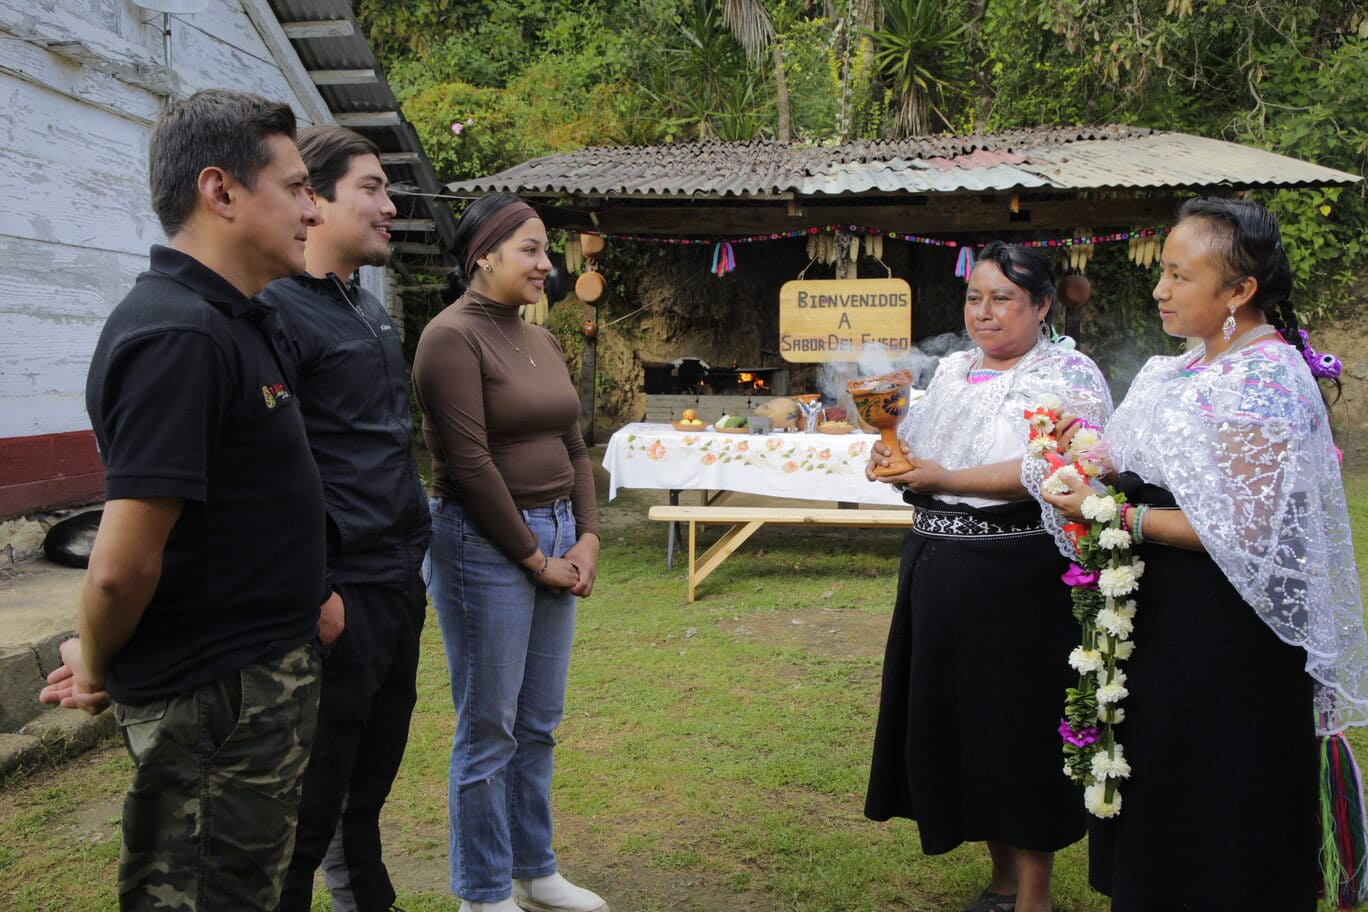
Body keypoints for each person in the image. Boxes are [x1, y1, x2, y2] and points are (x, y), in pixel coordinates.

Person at [39, 89, 328, 910]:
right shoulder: (179, 335)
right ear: (220, 190)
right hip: (216, 702)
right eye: (297, 186)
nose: (314, 209)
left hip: (252, 689)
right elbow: (121, 567)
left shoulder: (235, 320)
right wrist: (94, 662)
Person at [1041, 197, 1368, 911]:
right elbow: (1143, 463)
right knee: (1163, 786)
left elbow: (1244, 531)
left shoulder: (1266, 379)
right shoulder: (1180, 367)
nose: (1161, 289)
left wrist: (1121, 514)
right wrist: (1085, 448)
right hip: (1159, 618)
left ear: (1240, 290)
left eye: (1180, 276)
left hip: (1224, 631)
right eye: (1163, 271)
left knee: (1218, 803)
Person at [863, 242, 1113, 912]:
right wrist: (890, 455)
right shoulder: (952, 370)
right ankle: (1001, 881)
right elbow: (922, 449)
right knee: (963, 725)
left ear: (1042, 304)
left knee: (1017, 729)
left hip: (1019, 575)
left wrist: (946, 476)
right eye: (975, 297)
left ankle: (1032, 895)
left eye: (1003, 298)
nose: (984, 312)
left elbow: (1061, 467)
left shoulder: (1068, 373)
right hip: (937, 568)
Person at [411, 193, 605, 912]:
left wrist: (586, 535)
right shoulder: (449, 339)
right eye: (531, 249)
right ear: (483, 257)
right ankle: (485, 892)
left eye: (546, 250)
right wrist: (533, 558)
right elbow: (469, 465)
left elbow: (574, 444)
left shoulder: (540, 340)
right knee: (489, 727)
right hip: (481, 544)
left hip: (556, 532)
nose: (547, 263)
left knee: (538, 722)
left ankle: (535, 869)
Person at [261, 125, 431, 912]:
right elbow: (273, 472)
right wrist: (318, 589)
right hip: (340, 595)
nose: (390, 206)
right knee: (311, 799)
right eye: (372, 188)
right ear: (314, 198)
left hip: (397, 584)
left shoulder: (367, 310)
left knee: (367, 785)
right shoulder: (277, 312)